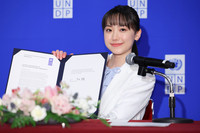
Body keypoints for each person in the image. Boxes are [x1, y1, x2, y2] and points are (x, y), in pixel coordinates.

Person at [52, 5, 155, 120]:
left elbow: (116, 118)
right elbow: (64, 104)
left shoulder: (143, 76)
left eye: (122, 29)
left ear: (137, 34)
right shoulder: (89, 65)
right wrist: (60, 68)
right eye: (109, 30)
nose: (115, 37)